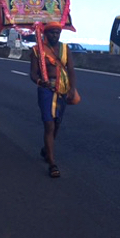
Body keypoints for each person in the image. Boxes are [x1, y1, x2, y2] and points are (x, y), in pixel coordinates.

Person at [29, 22, 76, 178]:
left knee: (57, 123)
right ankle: (52, 163)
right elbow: (33, 74)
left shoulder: (65, 49)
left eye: (57, 33)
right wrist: (40, 82)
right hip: (46, 90)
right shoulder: (37, 50)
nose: (55, 35)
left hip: (62, 89)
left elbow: (70, 71)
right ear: (45, 34)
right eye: (52, 33)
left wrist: (71, 89)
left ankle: (46, 149)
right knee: (49, 124)